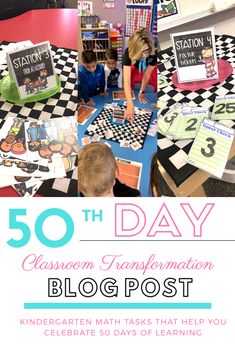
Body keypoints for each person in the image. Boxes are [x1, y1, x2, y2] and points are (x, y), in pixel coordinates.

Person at [123, 28, 157, 121]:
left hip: (151, 68)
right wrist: (130, 105)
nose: (143, 56)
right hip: (136, 67)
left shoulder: (154, 51)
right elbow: (126, 81)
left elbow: (147, 74)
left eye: (146, 51)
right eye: (139, 52)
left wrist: (142, 92)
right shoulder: (127, 53)